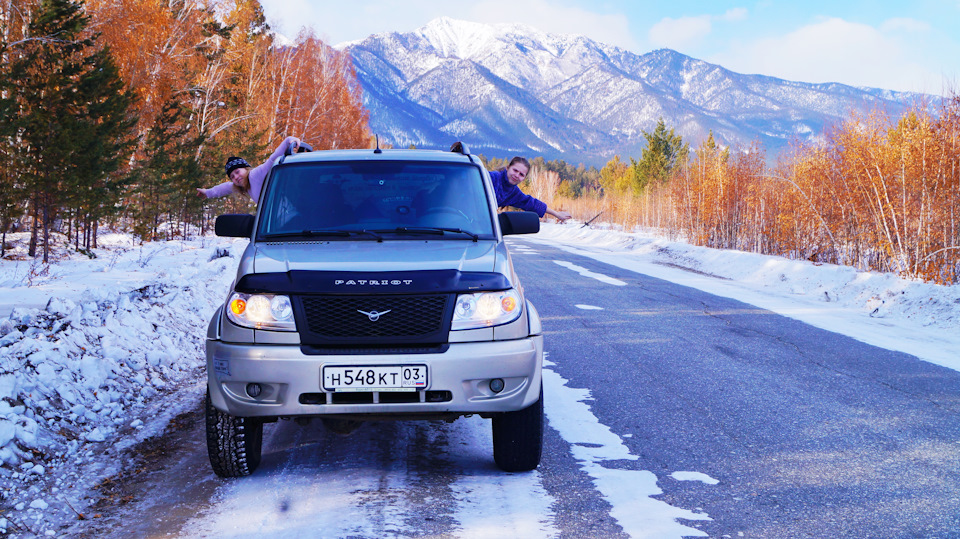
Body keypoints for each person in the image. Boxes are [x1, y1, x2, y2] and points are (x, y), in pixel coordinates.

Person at [197, 136, 301, 203]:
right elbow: (225, 187)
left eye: (237, 172)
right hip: (277, 224)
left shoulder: (255, 175)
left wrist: (288, 141)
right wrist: (207, 192)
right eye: (232, 176)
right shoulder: (245, 185)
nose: (236, 177)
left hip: (289, 220)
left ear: (246, 169)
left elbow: (272, 159)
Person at [489, 157, 572, 222]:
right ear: (507, 168)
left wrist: (557, 214)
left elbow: (532, 203)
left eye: (521, 174)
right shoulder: (491, 178)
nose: (517, 175)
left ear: (524, 178)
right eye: (515, 170)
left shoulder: (514, 193)